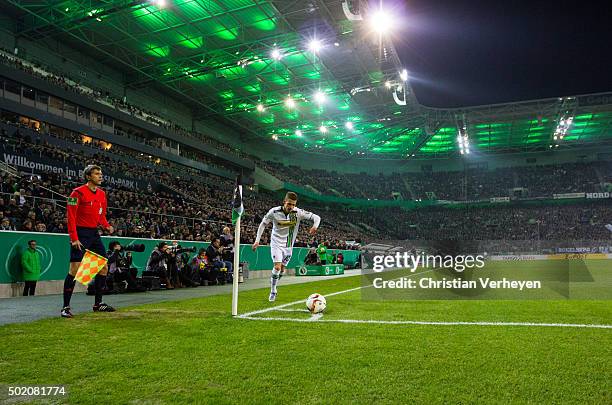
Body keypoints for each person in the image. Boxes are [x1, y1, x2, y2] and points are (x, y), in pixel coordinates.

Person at [61, 164, 115, 318]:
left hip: (94, 234)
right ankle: (65, 307)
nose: (100, 176)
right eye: (97, 173)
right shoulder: (76, 193)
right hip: (80, 233)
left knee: (104, 267)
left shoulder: (102, 194)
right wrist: (74, 238)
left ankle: (98, 304)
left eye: (101, 173)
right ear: (88, 176)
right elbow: (70, 217)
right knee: (74, 270)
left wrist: (106, 226)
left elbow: (101, 215)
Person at [252, 192, 321, 302]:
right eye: (289, 204)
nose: (291, 207)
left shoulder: (298, 212)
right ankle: (273, 290)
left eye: (293, 204)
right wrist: (257, 240)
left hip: (288, 246)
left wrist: (315, 226)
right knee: (278, 267)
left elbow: (317, 217)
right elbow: (263, 224)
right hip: (276, 243)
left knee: (282, 269)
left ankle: (274, 279)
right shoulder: (274, 211)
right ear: (284, 202)